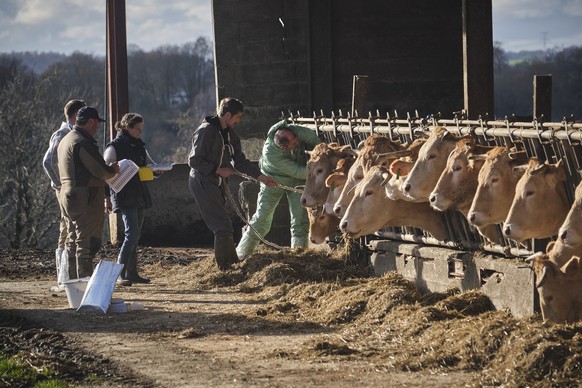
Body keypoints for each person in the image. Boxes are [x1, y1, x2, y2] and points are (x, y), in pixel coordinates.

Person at [188, 97, 276, 270]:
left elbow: (240, 162)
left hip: (217, 181)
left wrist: (262, 177)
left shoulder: (229, 134)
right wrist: (218, 170)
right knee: (221, 227)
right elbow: (194, 160)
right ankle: (225, 269)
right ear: (228, 115)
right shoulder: (206, 131)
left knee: (225, 225)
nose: (238, 121)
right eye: (237, 117)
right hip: (203, 180)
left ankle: (232, 264)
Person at [236, 119, 321, 259]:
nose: (297, 143)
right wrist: (321, 170)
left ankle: (299, 254)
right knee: (262, 218)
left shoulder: (297, 132)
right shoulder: (272, 154)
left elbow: (316, 142)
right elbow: (299, 171)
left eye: (296, 140)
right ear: (284, 148)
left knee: (300, 220)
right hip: (273, 181)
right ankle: (242, 253)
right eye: (293, 145)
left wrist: (324, 154)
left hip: (298, 182)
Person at [58, 106, 119, 278]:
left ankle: (70, 282)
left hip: (67, 194)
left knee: (72, 239)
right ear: (91, 121)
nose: (97, 127)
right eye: (96, 123)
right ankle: (84, 283)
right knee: (85, 241)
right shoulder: (81, 142)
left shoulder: (66, 139)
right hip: (83, 196)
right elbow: (100, 170)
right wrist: (113, 169)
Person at [103, 113, 152, 285]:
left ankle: (131, 273)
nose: (140, 132)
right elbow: (105, 172)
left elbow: (143, 168)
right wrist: (107, 197)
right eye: (137, 129)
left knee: (135, 235)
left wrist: (154, 172)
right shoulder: (114, 147)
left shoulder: (138, 145)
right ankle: (120, 273)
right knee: (131, 234)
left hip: (138, 192)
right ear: (127, 127)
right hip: (123, 193)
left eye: (141, 129)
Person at [42, 99, 86, 286]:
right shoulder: (62, 134)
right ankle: (65, 277)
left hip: (69, 188)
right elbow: (48, 161)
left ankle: (65, 277)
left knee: (66, 228)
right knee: (67, 229)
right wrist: (61, 184)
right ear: (76, 116)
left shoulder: (71, 132)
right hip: (65, 189)